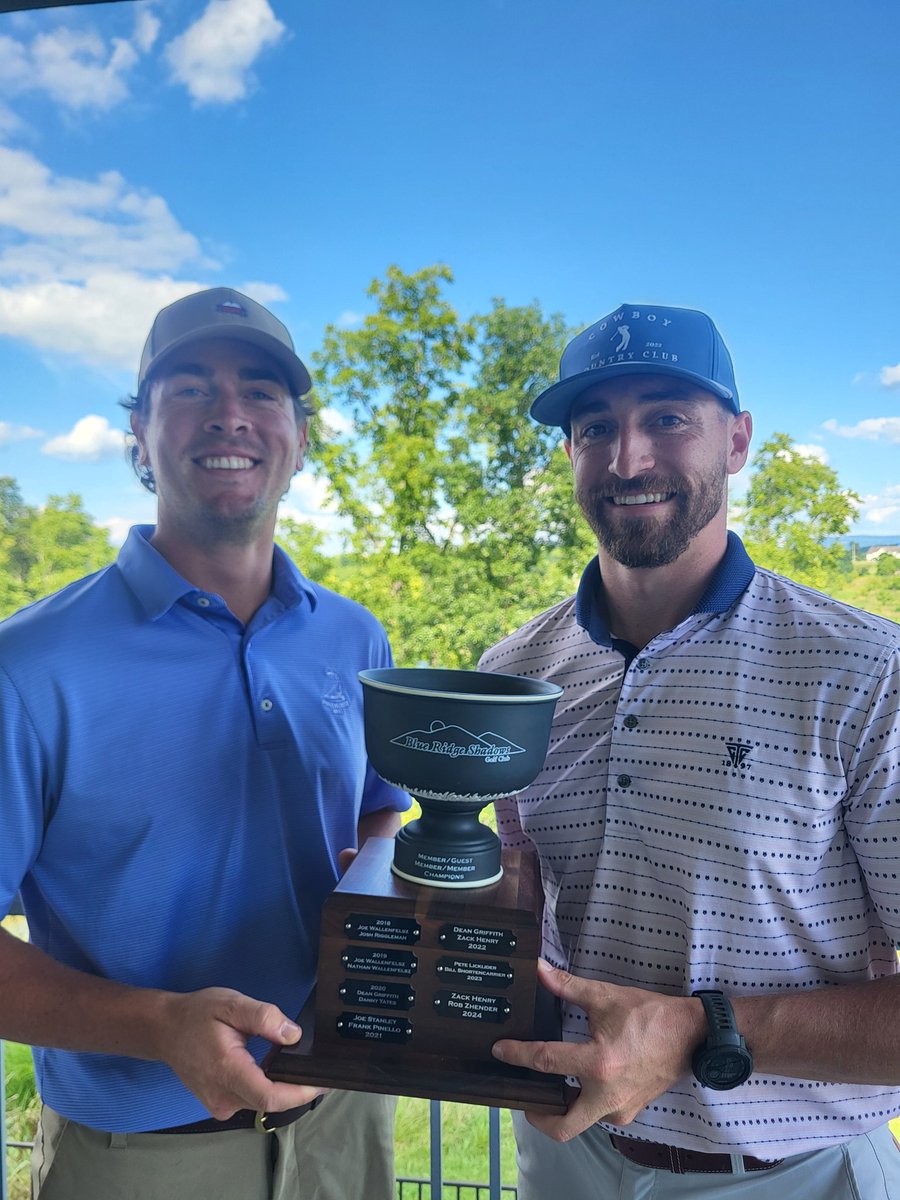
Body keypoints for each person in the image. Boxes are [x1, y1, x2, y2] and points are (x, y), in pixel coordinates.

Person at [479, 302, 900, 1198]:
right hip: (566, 1157)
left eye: (668, 418)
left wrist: (700, 1030)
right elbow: (522, 907)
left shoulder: (865, 670)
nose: (629, 459)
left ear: (736, 441)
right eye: (597, 428)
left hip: (794, 1176)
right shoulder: (514, 673)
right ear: (570, 453)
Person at [0, 288, 410, 1199]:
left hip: (346, 1121)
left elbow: (380, 810)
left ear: (301, 438)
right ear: (139, 436)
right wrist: (158, 1026)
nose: (230, 413)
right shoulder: (26, 667)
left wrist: (375, 897)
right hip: (139, 1156)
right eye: (189, 387)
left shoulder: (356, 638)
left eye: (262, 390)